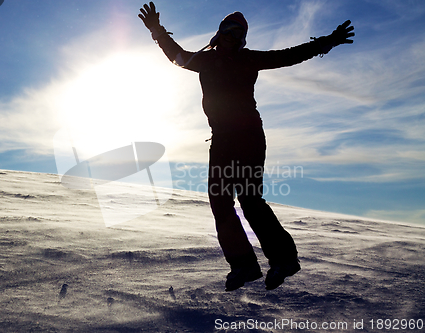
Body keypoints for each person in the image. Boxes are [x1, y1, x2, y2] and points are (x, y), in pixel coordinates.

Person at [139, 2, 354, 291]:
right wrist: (156, 31)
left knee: (250, 200)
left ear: (243, 40)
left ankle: (284, 260)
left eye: (238, 35)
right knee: (220, 202)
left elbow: (290, 56)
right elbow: (177, 56)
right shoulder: (204, 60)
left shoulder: (248, 59)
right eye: (228, 32)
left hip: (248, 136)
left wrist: (328, 42)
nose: (232, 38)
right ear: (219, 34)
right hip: (222, 141)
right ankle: (243, 265)